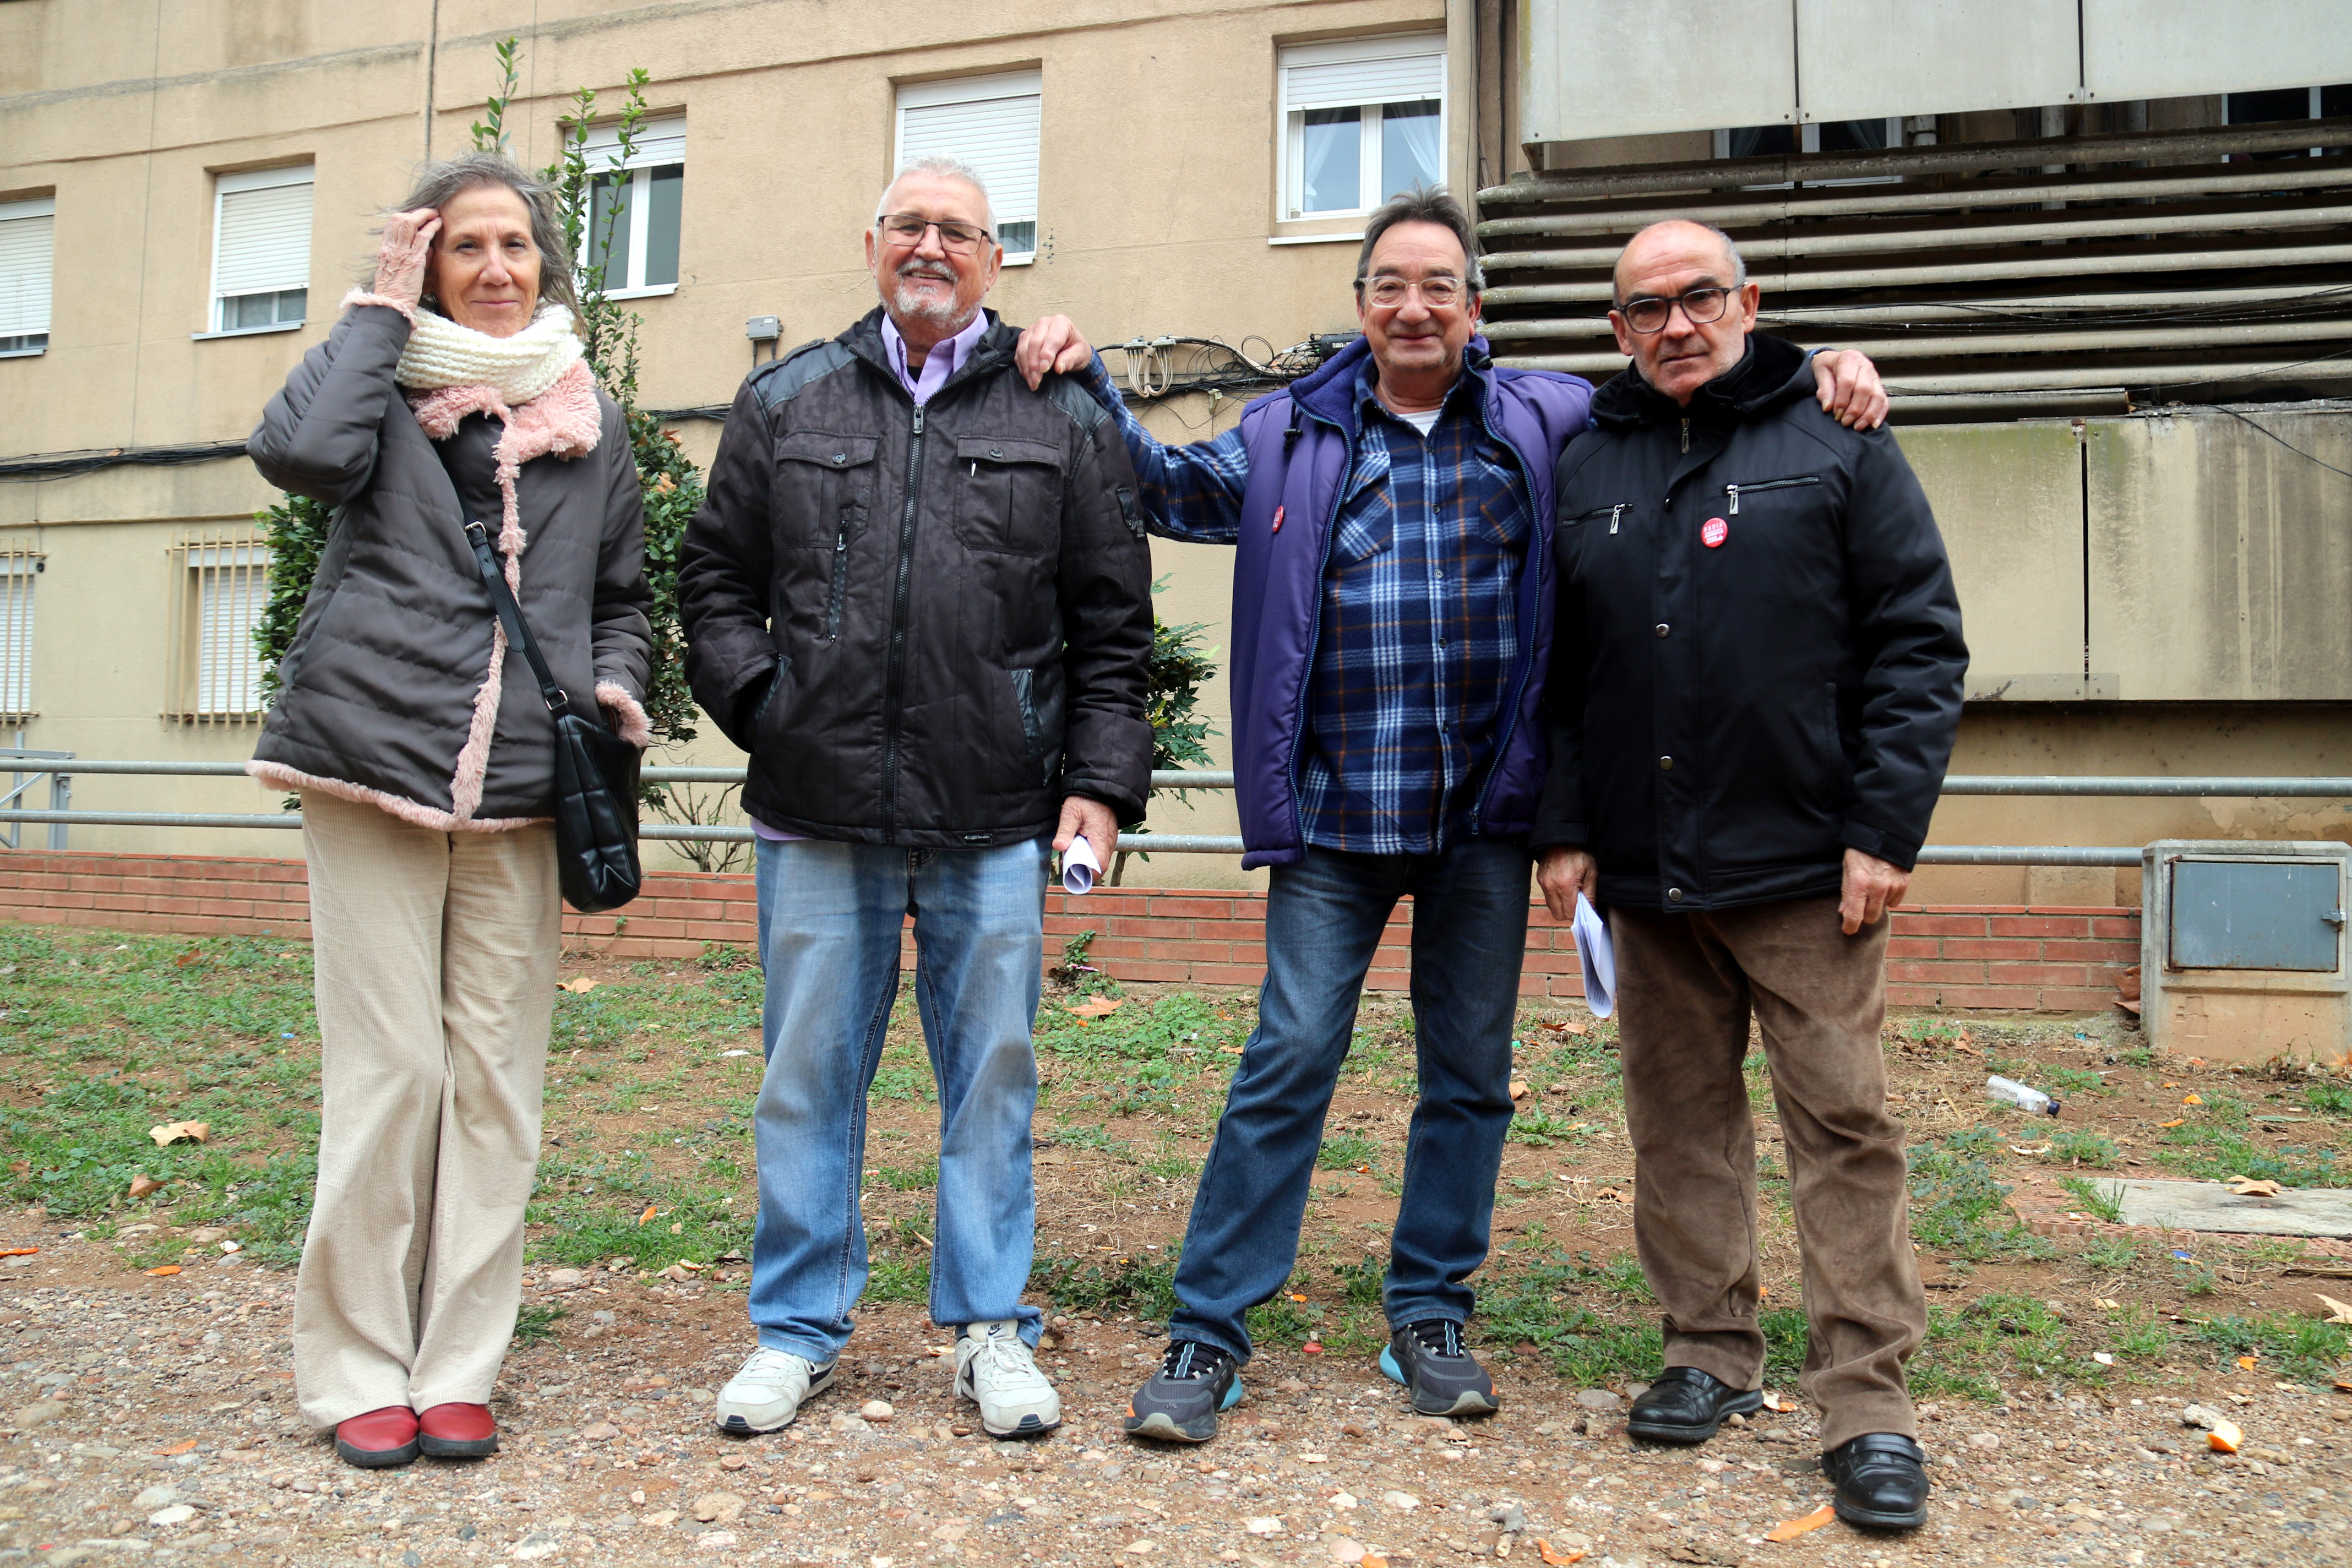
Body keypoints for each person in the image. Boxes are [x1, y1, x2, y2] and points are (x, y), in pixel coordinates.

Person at [1015, 188, 1890, 1445]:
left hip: (1489, 815)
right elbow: (1155, 486)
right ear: (1362, 308)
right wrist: (1087, 376)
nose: (1413, 305)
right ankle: (1208, 1330)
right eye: (1389, 285)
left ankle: (1430, 1311)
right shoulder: (1288, 432)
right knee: (1287, 1062)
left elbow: (1704, 404)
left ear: (1477, 309)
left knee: (1469, 1079)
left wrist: (1827, 374)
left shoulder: (1556, 420)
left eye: (1439, 285)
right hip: (1331, 819)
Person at [675, 156, 1155, 1439]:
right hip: (815, 807)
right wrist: (771, 706)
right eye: (910, 224)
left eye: (959, 229)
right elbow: (712, 585)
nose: (932, 245)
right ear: (872, 242)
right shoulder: (787, 398)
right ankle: (795, 1328)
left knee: (992, 1075)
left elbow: (1115, 630)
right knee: (804, 1078)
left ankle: (992, 1325)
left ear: (999, 259)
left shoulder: (1064, 414)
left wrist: (1100, 788)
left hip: (996, 811)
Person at [1533, 219, 1966, 1532]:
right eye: (1647, 307)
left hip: (1806, 870)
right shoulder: (1585, 454)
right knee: (1677, 1126)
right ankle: (1707, 1351)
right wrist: (1567, 828)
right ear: (1616, 328)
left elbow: (1918, 644)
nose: (1676, 323)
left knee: (1843, 1127)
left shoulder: (1841, 436)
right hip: (1647, 873)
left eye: (1700, 297)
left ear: (1750, 300)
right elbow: (1559, 673)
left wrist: (1885, 830)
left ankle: (1868, 1404)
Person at [246, 151, 654, 1468]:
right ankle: (358, 1361)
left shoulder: (590, 413)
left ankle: (458, 1361)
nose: (493, 268)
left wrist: (614, 685)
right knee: (393, 1071)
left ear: (545, 262)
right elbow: (296, 454)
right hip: (371, 759)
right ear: (428, 263)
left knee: (495, 1081)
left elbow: (630, 594)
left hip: (531, 784)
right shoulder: (376, 383)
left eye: (515, 246)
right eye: (463, 246)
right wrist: (374, 309)